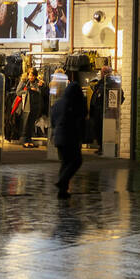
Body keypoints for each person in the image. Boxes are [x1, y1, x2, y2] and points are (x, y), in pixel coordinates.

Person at [52, 70, 87, 199]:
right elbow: (80, 118)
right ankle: (62, 182)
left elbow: (53, 119)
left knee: (65, 162)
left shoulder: (57, 103)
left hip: (58, 137)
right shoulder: (75, 104)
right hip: (70, 137)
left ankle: (63, 191)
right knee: (76, 161)